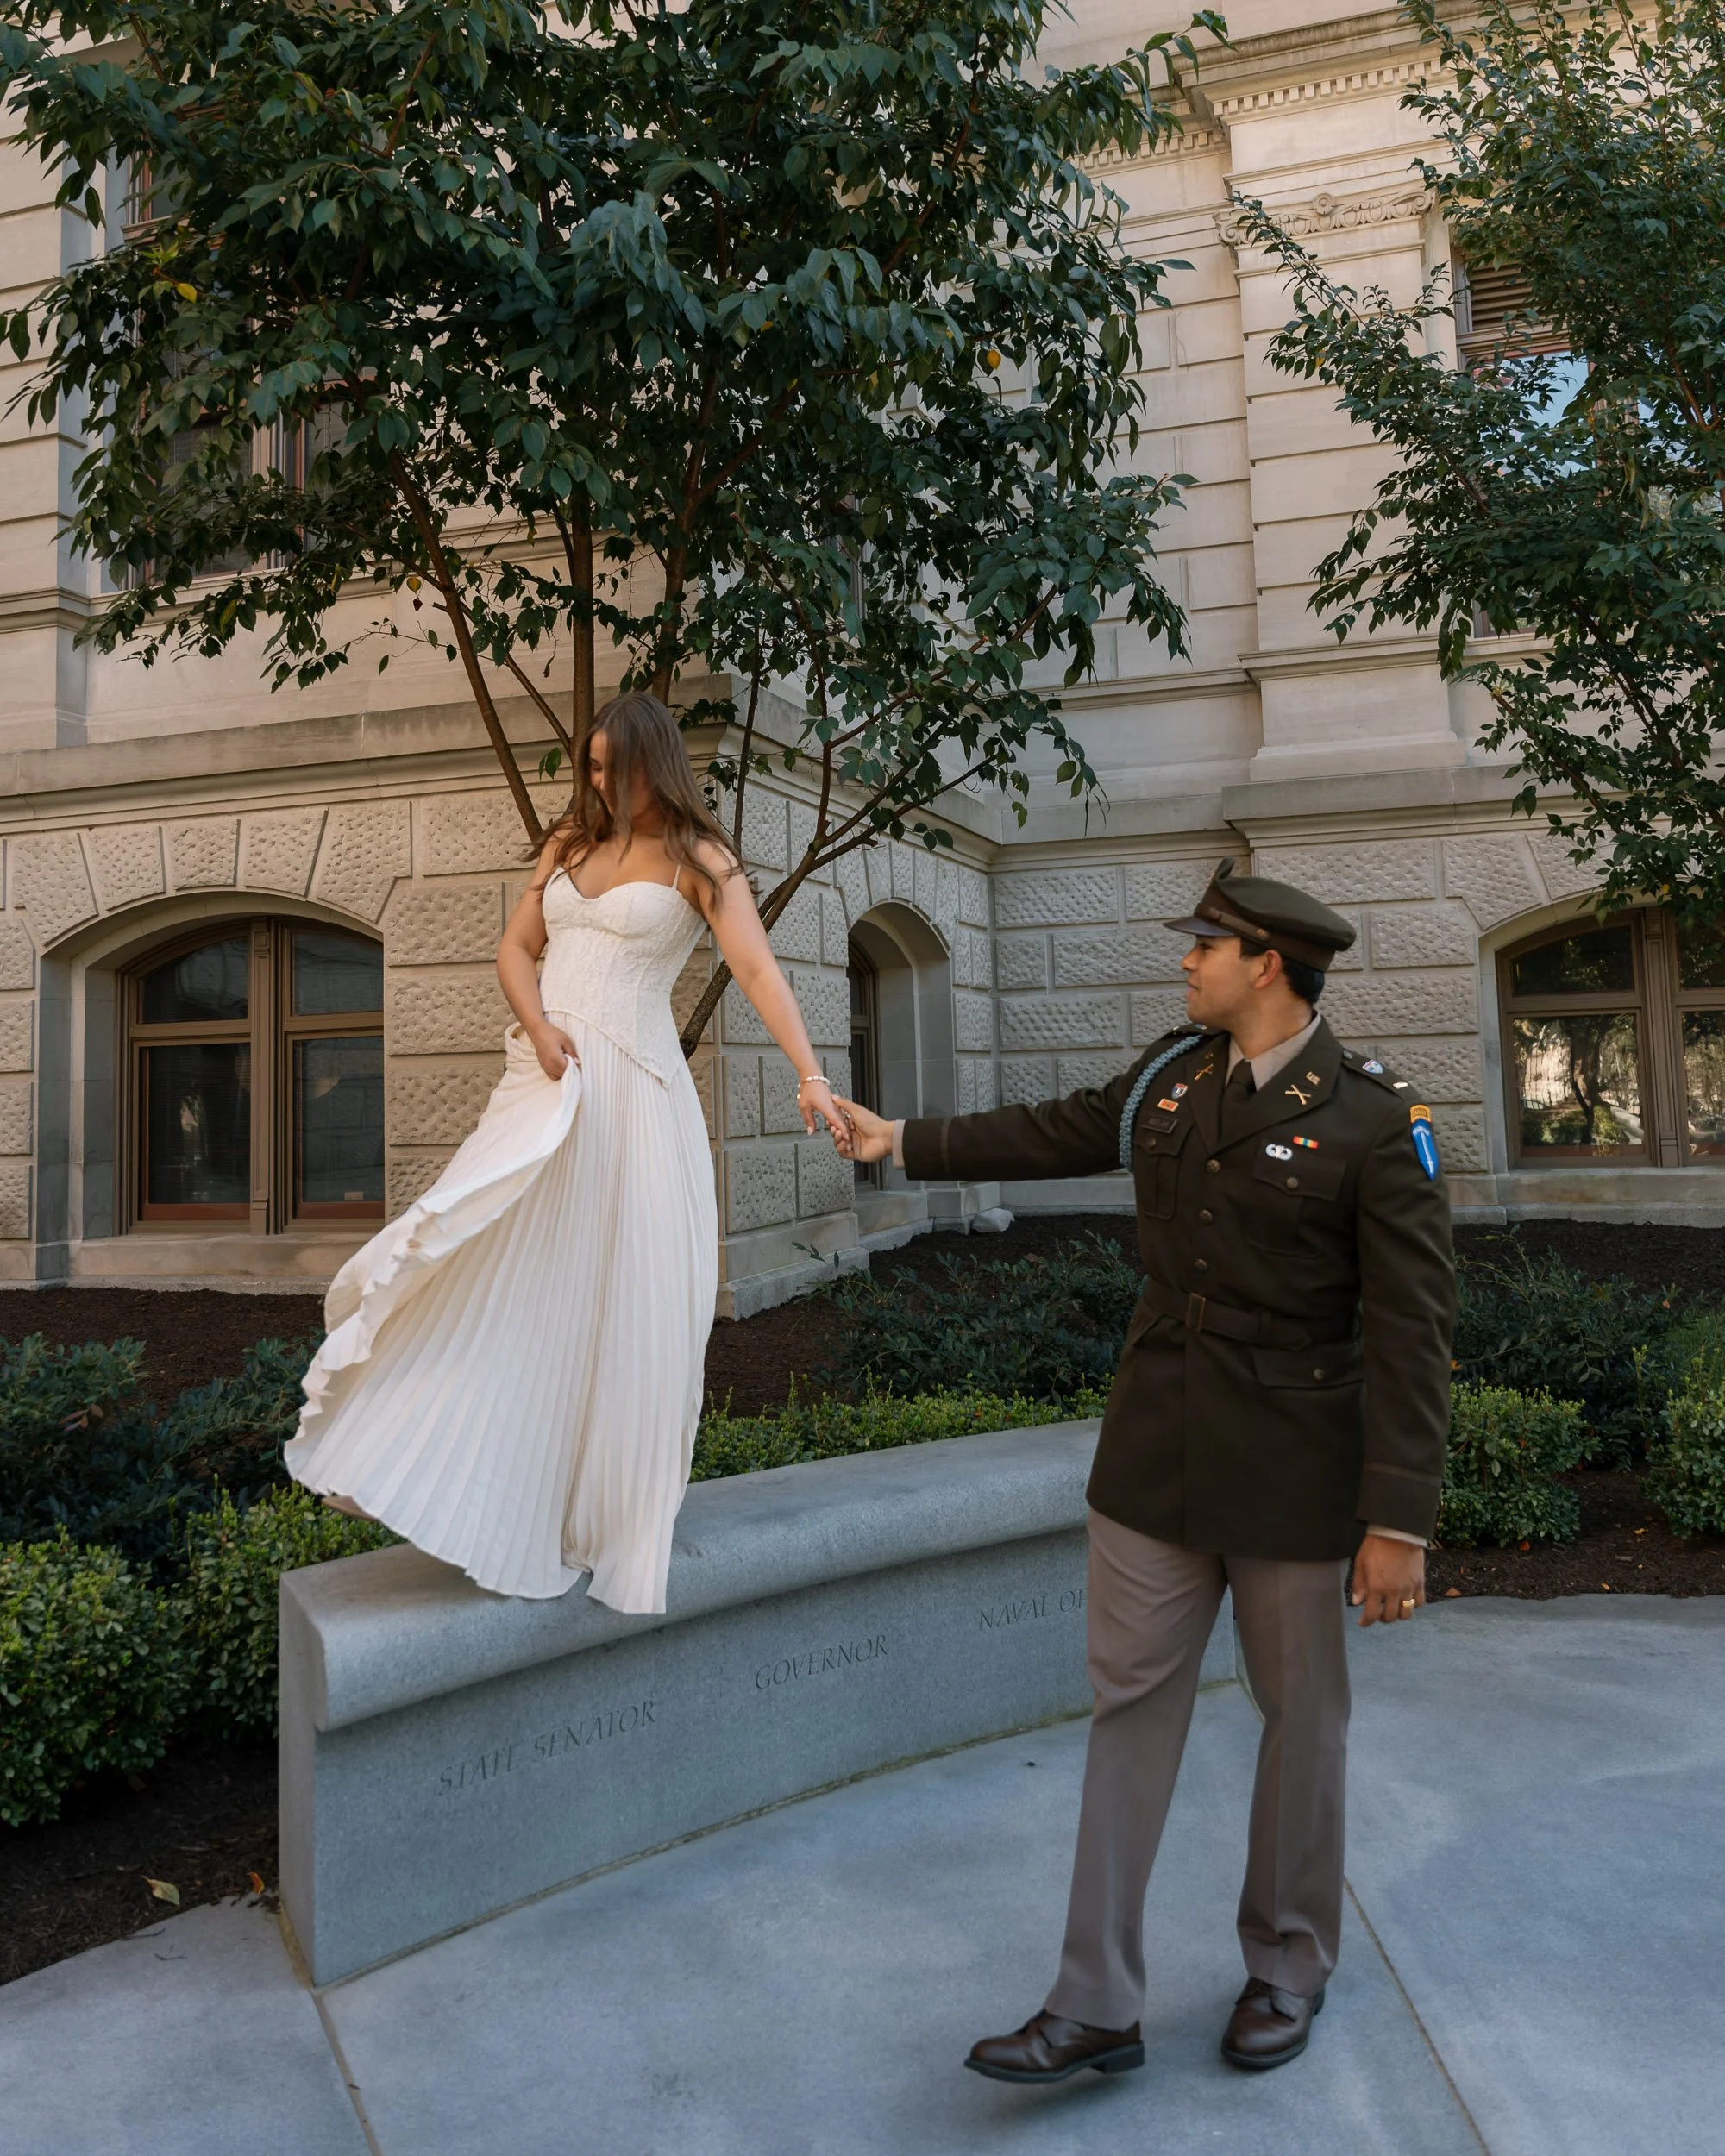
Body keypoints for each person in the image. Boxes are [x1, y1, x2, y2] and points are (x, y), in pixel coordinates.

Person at [832, 861, 1454, 2080]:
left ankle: (1287, 1963)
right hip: (1156, 1452)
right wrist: (900, 1138)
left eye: (1205, 944)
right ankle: (1094, 2002)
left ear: (1267, 963)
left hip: (1292, 1467)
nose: (1186, 959)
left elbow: (1413, 1335)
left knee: (1300, 1724)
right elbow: (1056, 1128)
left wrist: (1402, 1521)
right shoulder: (1174, 1078)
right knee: (1128, 1714)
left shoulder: (1380, 1122)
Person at [285, 691, 848, 1614]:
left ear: (651, 764)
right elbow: (514, 948)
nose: (595, 783)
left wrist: (811, 1074)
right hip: (548, 1083)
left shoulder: (700, 861)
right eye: (587, 767)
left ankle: (588, 1515)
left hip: (633, 1098)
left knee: (613, 1300)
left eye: (608, 768)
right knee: (476, 1254)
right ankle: (410, 1455)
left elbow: (755, 969)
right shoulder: (568, 848)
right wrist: (539, 1026)